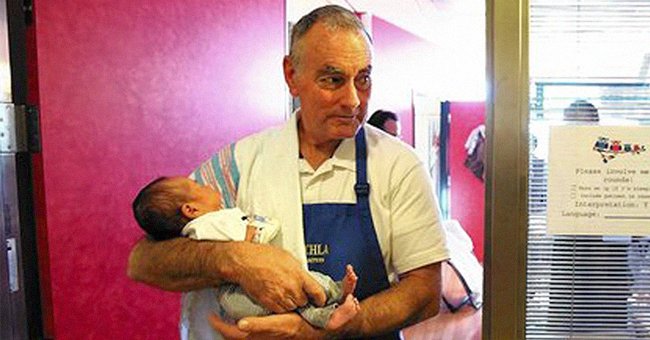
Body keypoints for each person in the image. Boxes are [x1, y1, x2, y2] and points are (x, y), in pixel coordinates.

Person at [127, 5, 448, 339]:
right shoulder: (239, 164)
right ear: (292, 75)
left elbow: (425, 294)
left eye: (363, 78)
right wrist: (235, 258)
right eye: (333, 79)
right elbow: (143, 260)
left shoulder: (400, 166)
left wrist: (324, 332)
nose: (353, 100)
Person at [131, 176, 361, 330]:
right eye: (199, 187)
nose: (208, 185)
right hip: (238, 294)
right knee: (296, 299)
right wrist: (243, 251)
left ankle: (336, 296)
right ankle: (331, 310)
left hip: (246, 294)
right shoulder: (209, 223)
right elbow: (138, 262)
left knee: (299, 293)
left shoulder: (203, 220)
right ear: (191, 209)